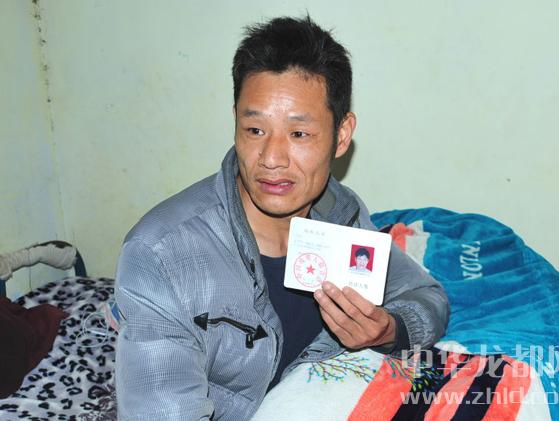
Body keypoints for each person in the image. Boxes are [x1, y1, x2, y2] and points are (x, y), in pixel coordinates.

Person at [115, 15, 449, 420]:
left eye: (299, 134)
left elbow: (426, 297)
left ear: (342, 135)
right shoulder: (161, 254)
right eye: (254, 130)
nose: (271, 159)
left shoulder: (339, 214)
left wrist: (388, 329)